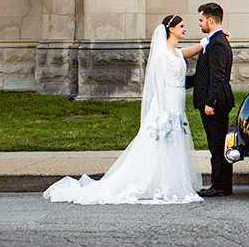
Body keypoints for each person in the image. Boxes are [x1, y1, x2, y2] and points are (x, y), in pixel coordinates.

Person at [43, 15, 204, 205]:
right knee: (159, 144)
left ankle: (171, 182)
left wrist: (206, 42)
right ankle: (159, 183)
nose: (185, 29)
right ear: (171, 29)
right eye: (182, 26)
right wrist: (164, 112)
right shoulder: (161, 55)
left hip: (177, 101)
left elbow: (187, 52)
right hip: (166, 104)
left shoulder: (176, 52)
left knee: (174, 144)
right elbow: (158, 86)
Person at [188, 2, 235, 197]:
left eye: (201, 20)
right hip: (214, 100)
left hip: (215, 103)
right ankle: (223, 184)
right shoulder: (215, 41)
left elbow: (218, 76)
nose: (199, 24)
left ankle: (219, 185)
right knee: (216, 144)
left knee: (216, 145)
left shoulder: (217, 43)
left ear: (210, 20)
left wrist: (210, 103)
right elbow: (204, 75)